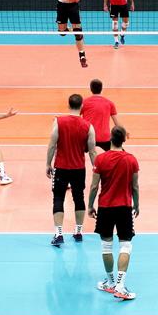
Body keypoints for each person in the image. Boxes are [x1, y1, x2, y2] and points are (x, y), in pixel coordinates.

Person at [87, 126, 140, 301]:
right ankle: (120, 285)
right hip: (124, 208)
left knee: (106, 246)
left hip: (105, 208)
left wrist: (90, 206)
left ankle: (110, 283)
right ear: (124, 140)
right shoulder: (131, 160)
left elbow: (94, 186)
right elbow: (134, 186)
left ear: (110, 138)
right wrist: (137, 204)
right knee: (126, 246)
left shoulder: (100, 159)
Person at [46, 93, 99, 246]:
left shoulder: (58, 122)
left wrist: (48, 164)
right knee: (79, 198)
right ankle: (78, 231)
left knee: (58, 198)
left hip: (61, 167)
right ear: (82, 106)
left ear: (68, 105)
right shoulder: (88, 126)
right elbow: (92, 151)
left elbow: (52, 145)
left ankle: (59, 234)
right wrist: (97, 169)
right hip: (78, 169)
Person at [81, 78, 126, 152]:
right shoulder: (109, 103)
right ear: (101, 89)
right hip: (104, 138)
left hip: (88, 137)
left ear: (91, 89)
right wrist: (124, 132)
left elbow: (76, 118)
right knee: (120, 153)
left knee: (75, 152)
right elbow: (117, 123)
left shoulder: (84, 102)